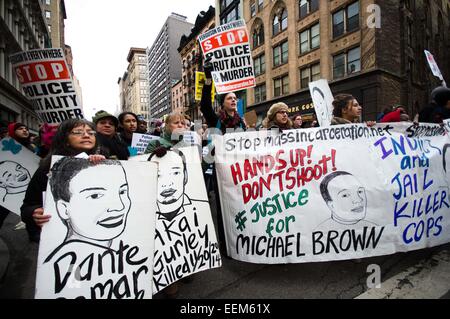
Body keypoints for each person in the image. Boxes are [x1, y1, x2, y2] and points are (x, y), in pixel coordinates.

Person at [20, 119, 105, 243]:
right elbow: (28, 206)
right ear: (65, 139)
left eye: (91, 132)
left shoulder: (102, 163)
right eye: (78, 132)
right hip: (58, 240)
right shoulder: (47, 168)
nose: (86, 135)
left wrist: (105, 166)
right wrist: (34, 213)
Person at [149, 149, 216, 298]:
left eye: (176, 173)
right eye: (159, 175)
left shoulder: (199, 207)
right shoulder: (145, 215)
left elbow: (199, 168)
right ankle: (169, 283)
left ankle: (187, 269)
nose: (168, 183)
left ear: (185, 176)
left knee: (187, 244)